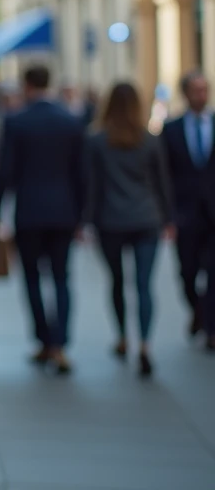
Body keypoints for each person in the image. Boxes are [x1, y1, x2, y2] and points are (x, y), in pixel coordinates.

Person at [0, 65, 86, 375]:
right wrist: (82, 216)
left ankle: (44, 340)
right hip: (63, 213)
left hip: (29, 212)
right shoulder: (70, 121)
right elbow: (80, 173)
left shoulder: (17, 121)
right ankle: (60, 343)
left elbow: (5, 171)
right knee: (61, 277)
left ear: (26, 85)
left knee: (32, 279)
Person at [84, 83, 173, 376]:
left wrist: (86, 221)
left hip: (111, 221)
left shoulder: (98, 141)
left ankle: (122, 336)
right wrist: (168, 219)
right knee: (144, 285)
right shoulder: (149, 141)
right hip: (146, 219)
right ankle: (145, 343)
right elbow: (162, 185)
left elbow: (92, 187)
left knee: (117, 282)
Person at [160, 70, 215, 349]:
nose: (201, 95)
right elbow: (163, 174)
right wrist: (166, 215)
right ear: (186, 93)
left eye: (205, 89)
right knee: (188, 271)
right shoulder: (170, 129)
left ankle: (210, 326)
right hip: (185, 213)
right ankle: (199, 310)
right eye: (196, 90)